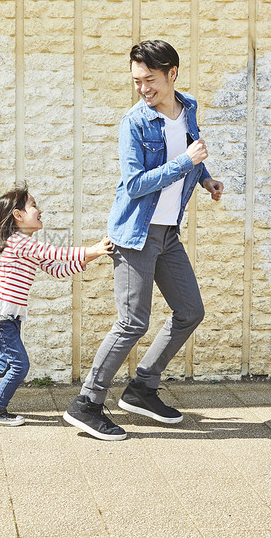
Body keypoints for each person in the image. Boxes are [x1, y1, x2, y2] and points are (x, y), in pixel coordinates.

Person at [63, 40, 224, 441]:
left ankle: (141, 388)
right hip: (136, 232)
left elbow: (188, 153)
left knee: (190, 311)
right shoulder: (134, 123)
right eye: (136, 81)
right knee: (132, 321)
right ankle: (86, 403)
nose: (143, 89)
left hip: (168, 232)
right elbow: (135, 185)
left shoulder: (188, 110)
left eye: (150, 80)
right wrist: (186, 164)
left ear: (172, 74)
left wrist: (205, 179)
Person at [0, 183, 113, 426]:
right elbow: (55, 252)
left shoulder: (29, 246)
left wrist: (94, 255)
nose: (39, 210)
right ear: (18, 215)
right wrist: (91, 248)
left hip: (6, 316)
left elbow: (58, 269)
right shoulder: (18, 242)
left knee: (5, 365)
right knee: (20, 366)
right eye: (33, 205)